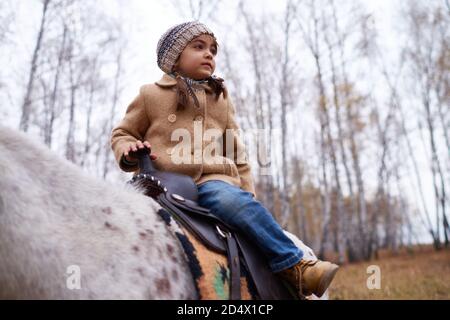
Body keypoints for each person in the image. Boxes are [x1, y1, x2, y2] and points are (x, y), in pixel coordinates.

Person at [110, 21, 338, 299]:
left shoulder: (220, 99)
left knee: (232, 202)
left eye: (213, 50)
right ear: (174, 57)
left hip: (212, 181)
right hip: (163, 181)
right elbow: (123, 132)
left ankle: (295, 265)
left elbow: (236, 152)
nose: (209, 54)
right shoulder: (151, 95)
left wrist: (246, 194)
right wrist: (128, 149)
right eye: (199, 47)